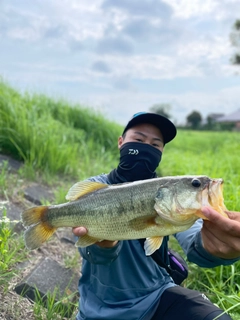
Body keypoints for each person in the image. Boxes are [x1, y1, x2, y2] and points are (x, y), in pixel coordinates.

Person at [72, 112, 240, 320]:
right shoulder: (95, 189)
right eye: (139, 140)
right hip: (100, 309)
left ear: (162, 151)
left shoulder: (173, 196)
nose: (146, 147)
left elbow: (197, 247)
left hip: (157, 295)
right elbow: (89, 252)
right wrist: (103, 246)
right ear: (121, 142)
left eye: (155, 144)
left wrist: (220, 247)